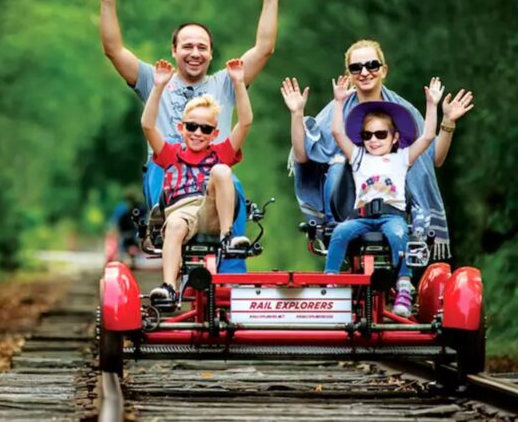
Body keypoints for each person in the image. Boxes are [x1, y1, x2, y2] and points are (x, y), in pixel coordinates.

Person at [96, 0, 283, 273]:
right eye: (187, 46)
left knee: (231, 183)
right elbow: (113, 50)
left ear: (210, 54)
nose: (194, 53)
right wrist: (107, 0)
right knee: (165, 171)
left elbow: (264, 48)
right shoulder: (154, 79)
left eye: (201, 47)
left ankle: (231, 274)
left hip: (213, 172)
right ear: (174, 50)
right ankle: (170, 254)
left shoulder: (226, 83)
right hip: (167, 166)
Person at [281, 39, 474, 260]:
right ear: (349, 74)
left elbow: (432, 160)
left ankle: (402, 281)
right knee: (336, 164)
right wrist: (297, 114)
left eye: (372, 65)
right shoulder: (338, 109)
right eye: (356, 67)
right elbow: (303, 154)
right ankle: (336, 235)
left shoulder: (403, 111)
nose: (364, 72)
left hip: (394, 205)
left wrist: (448, 121)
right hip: (348, 207)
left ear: (383, 70)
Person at [321, 75, 442, 316]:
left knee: (399, 235)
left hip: (392, 216)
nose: (374, 140)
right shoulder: (358, 157)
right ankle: (330, 285)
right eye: (368, 135)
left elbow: (428, 137)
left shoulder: (402, 158)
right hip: (362, 216)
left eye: (380, 135)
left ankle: (404, 285)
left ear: (394, 137)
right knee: (340, 232)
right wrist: (338, 102)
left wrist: (432, 105)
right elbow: (337, 132)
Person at [141, 58, 252, 305]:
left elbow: (245, 123)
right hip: (181, 213)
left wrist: (239, 83)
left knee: (222, 171)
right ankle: (169, 287)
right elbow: (147, 125)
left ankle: (227, 237)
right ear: (181, 128)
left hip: (212, 212)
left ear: (214, 133)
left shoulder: (220, 153)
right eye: (192, 126)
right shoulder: (171, 154)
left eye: (205, 129)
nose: (197, 133)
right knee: (176, 226)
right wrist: (158, 87)